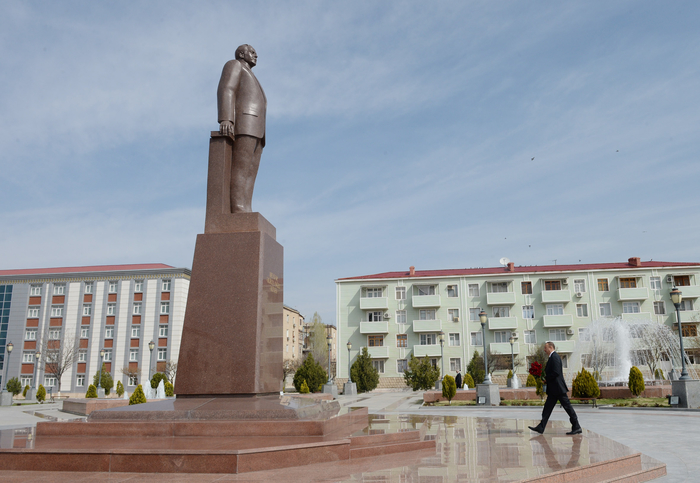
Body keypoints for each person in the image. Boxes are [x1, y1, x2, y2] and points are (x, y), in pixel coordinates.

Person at [217, 44, 267, 213]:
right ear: (241, 53)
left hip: (257, 127)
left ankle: (246, 207)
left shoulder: (250, 74)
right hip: (244, 123)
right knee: (241, 168)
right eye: (252, 52)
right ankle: (238, 208)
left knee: (251, 172)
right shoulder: (234, 65)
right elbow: (227, 89)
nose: (256, 55)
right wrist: (226, 119)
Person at [528, 341, 582, 435]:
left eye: (545, 348)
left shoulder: (555, 357)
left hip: (558, 388)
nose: (544, 350)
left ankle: (576, 426)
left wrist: (546, 379)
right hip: (554, 389)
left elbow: (556, 372)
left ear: (551, 347)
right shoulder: (551, 357)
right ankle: (541, 427)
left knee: (568, 408)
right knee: (547, 409)